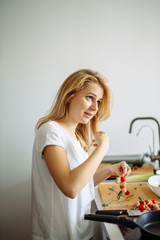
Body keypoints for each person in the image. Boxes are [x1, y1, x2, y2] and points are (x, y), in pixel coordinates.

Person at [31, 69, 131, 240]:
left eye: (98, 101)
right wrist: (103, 147)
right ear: (70, 95)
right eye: (89, 97)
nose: (95, 107)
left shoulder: (75, 137)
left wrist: (109, 170)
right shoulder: (51, 131)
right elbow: (71, 188)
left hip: (82, 232)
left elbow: (82, 184)